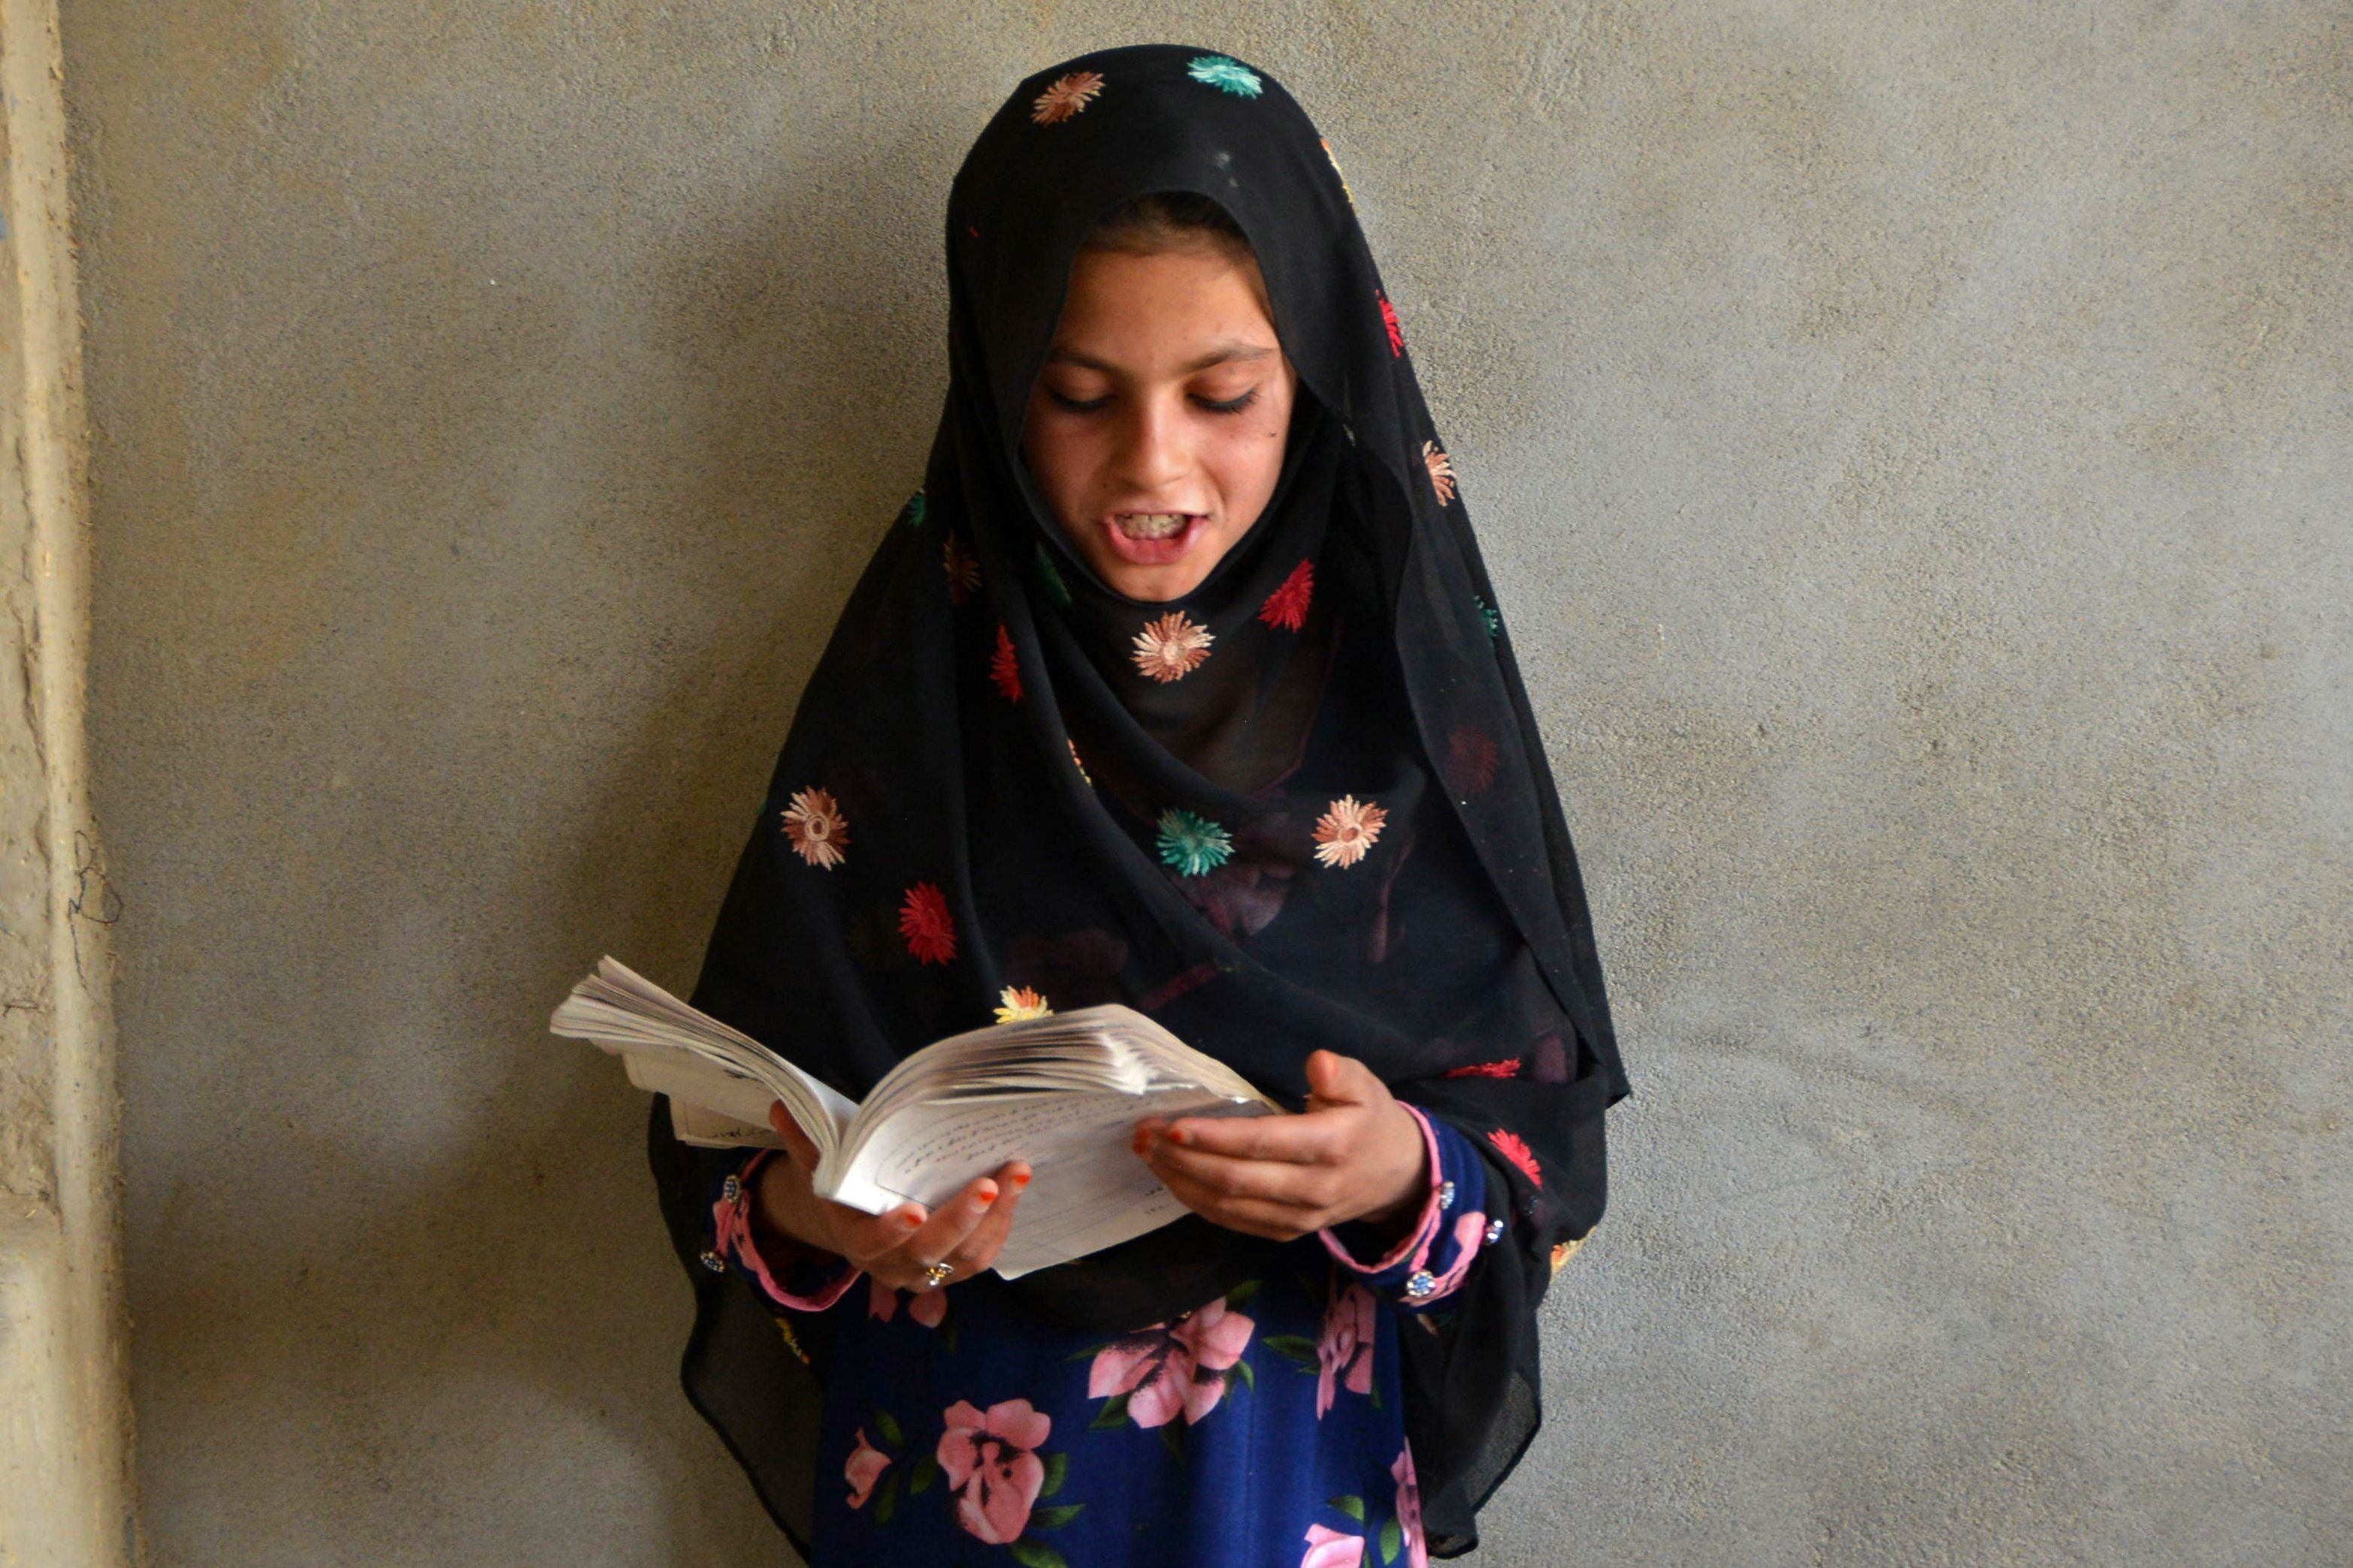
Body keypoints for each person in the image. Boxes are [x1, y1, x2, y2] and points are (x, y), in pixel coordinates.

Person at [648, 44, 1628, 1566]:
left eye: (1227, 395)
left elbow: (1533, 1152)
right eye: (1079, 395)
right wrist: (817, 1214)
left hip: (1284, 1473)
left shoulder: (1406, 723)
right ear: (994, 387)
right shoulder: (914, 700)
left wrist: (1393, 1176)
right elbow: (733, 1155)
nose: (1153, 465)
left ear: (1319, 374)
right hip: (951, 1470)